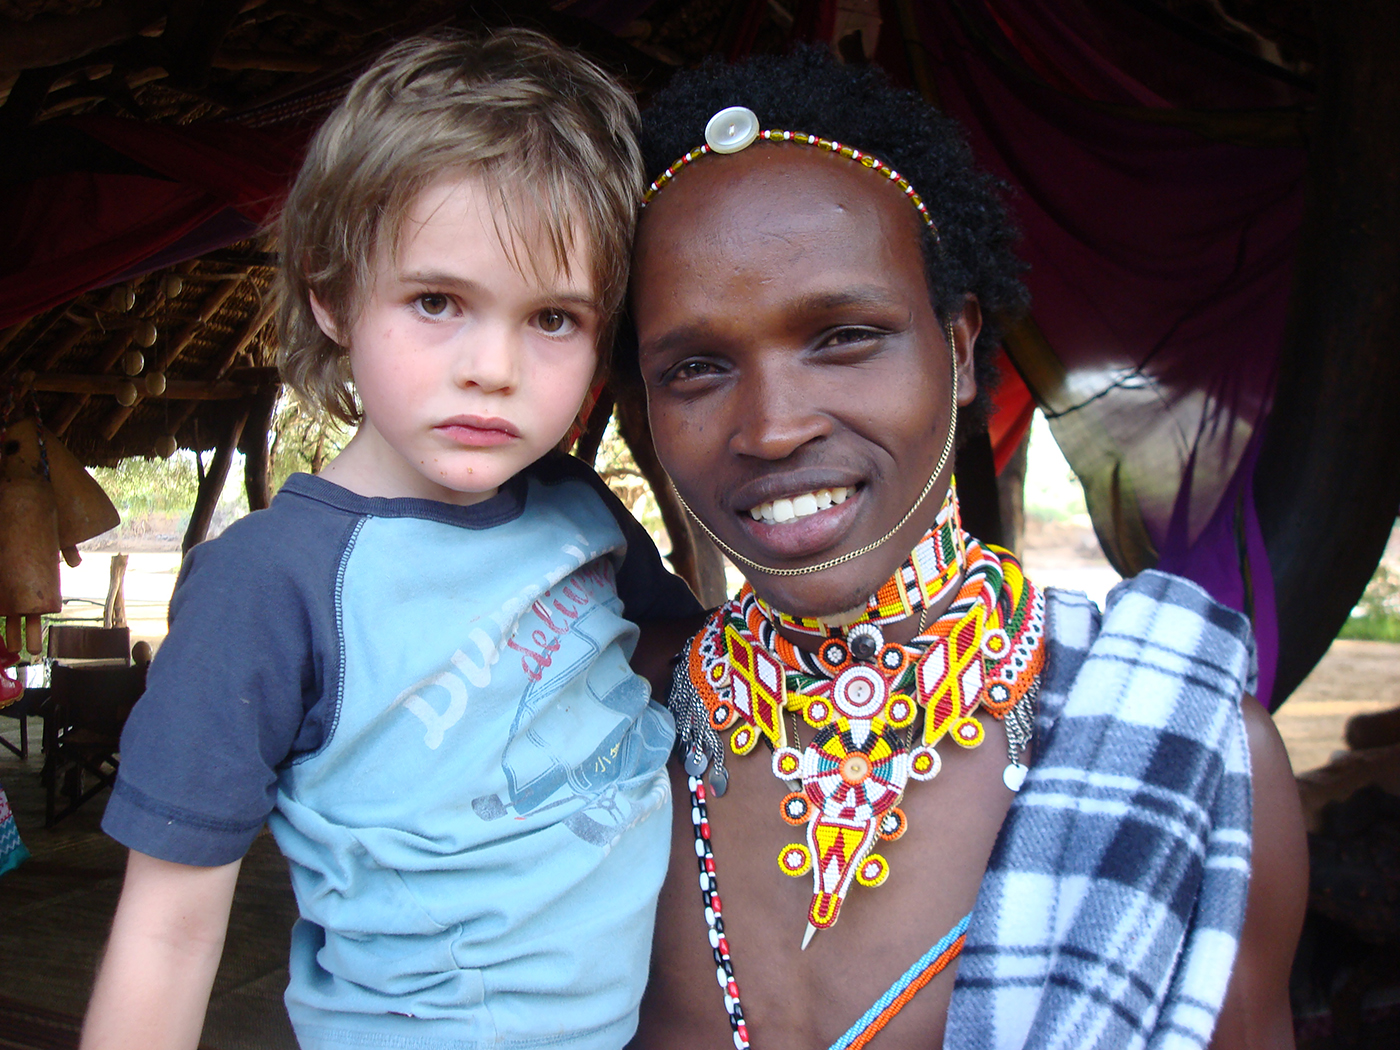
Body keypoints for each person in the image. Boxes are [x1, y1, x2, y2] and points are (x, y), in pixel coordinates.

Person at [624, 49, 1307, 1050]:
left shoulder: (1188, 752)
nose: (770, 428)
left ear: (953, 349)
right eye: (694, 366)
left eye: (843, 336)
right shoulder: (600, 743)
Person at [82, 31, 701, 1050]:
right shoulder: (269, 586)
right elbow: (167, 933)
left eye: (551, 317)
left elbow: (683, 664)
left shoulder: (577, 511)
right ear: (330, 296)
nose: (490, 366)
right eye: (434, 301)